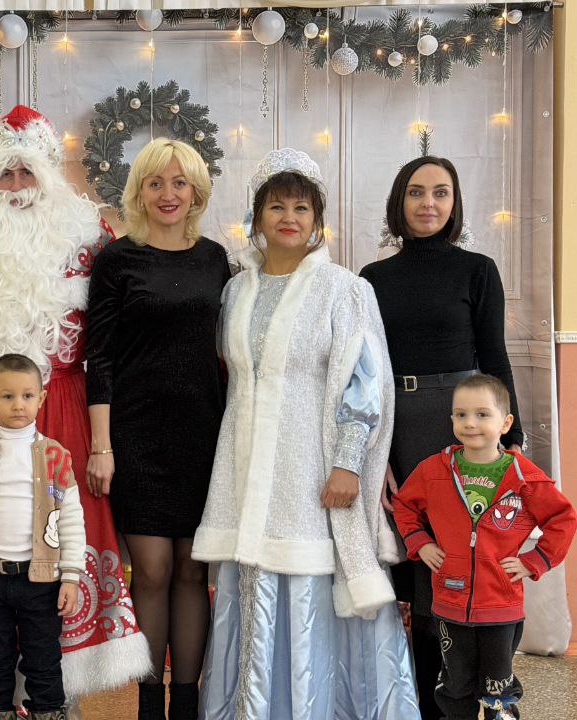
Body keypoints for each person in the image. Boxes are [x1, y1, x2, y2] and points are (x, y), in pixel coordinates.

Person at [0, 105, 149, 699]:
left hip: (67, 411)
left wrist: (103, 442)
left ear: (49, 176)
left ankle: (60, 693)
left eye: (28, 172)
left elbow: (113, 342)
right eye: (7, 173)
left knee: (64, 538)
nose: (18, 185)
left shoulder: (91, 238)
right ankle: (2, 690)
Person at [192, 148, 417, 719]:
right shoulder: (236, 290)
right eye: (276, 206)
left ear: (317, 219)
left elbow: (366, 384)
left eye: (301, 208)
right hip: (244, 467)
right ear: (258, 215)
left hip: (310, 469)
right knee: (250, 582)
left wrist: (347, 462)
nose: (288, 218)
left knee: (308, 582)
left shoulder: (344, 290)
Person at [359, 156, 526, 719]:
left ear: (455, 203)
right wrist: (375, 450)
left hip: (465, 428)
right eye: (415, 192)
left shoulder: (478, 270)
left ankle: (480, 691)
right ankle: (423, 701)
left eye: (441, 192)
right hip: (399, 425)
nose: (428, 203)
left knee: (467, 557)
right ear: (398, 202)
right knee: (415, 562)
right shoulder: (372, 278)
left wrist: (510, 441)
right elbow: (367, 370)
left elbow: (494, 357)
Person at [83, 137, 230, 719]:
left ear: (196, 190)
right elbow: (99, 357)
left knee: (194, 572)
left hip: (203, 434)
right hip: (135, 435)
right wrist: (102, 445)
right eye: (155, 183)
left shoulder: (216, 258)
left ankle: (186, 703)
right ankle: (149, 703)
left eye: (179, 183)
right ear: (139, 191)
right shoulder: (117, 260)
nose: (168, 194)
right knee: (151, 570)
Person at [393, 374, 577, 720]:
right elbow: (404, 505)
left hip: (501, 605)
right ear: (451, 420)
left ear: (505, 423)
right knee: (455, 686)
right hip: (449, 602)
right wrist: (420, 543)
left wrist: (534, 561)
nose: (470, 423)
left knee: (498, 688)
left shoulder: (522, 475)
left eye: (482, 414)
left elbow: (563, 518)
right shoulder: (434, 470)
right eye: (461, 414)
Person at [0, 354, 86, 720]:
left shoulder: (57, 457)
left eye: (27, 396)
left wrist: (71, 576)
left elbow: (71, 518)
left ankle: (48, 712)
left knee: (43, 658)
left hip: (42, 580)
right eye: (7, 396)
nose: (18, 405)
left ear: (41, 398)